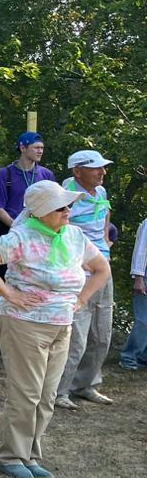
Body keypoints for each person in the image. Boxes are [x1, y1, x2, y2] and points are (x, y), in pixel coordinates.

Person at [0, 180, 110, 478]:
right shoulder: (22, 237)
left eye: (68, 205)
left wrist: (82, 299)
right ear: (41, 211)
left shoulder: (74, 236)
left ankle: (32, 455)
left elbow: (102, 269)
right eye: (60, 207)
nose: (67, 211)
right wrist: (9, 293)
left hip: (62, 324)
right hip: (25, 324)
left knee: (46, 395)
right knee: (26, 392)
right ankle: (12, 456)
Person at [55, 149, 115, 409]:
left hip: (102, 270)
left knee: (102, 333)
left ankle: (86, 385)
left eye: (103, 167)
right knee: (76, 337)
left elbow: (105, 216)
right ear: (77, 171)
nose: (103, 172)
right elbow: (54, 230)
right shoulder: (63, 196)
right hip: (78, 273)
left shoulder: (100, 192)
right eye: (96, 168)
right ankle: (59, 391)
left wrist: (106, 243)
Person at [0, 132, 56, 242]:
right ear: (23, 148)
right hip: (11, 232)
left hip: (40, 232)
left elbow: (55, 204)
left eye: (42, 148)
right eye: (36, 148)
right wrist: (16, 226)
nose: (40, 151)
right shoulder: (5, 174)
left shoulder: (46, 174)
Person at [121, 215, 147, 371]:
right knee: (143, 320)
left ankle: (143, 357)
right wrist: (138, 277)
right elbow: (142, 250)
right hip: (145, 275)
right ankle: (129, 357)